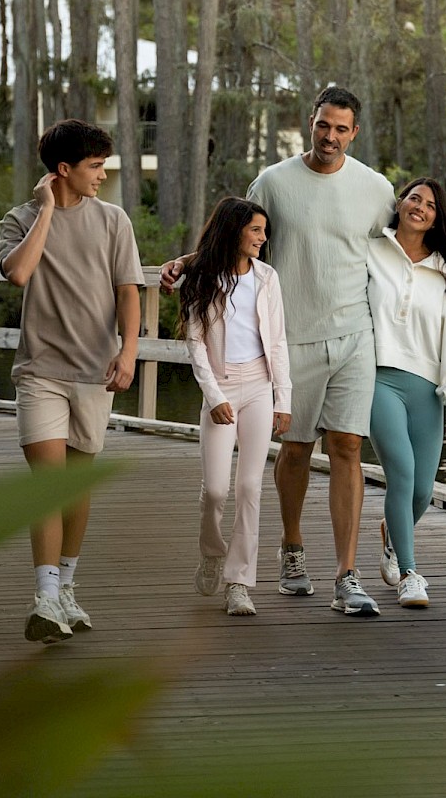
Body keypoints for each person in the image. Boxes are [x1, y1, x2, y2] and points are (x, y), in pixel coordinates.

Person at [163, 86, 395, 617]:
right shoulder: (274, 181)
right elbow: (237, 236)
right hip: (290, 339)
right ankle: (292, 548)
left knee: (348, 448)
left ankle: (346, 574)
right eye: (323, 126)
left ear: (354, 133)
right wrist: (188, 261)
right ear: (310, 123)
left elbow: (408, 242)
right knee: (295, 450)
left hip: (355, 335)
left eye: (341, 129)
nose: (330, 137)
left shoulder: (375, 188)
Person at [0, 119, 143, 643]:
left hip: (95, 372)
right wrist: (46, 211)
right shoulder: (20, 219)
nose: (102, 175)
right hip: (40, 372)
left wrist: (128, 351)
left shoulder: (114, 220)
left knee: (76, 489)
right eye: (94, 167)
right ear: (64, 170)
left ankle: (67, 588)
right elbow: (18, 273)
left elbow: (129, 291)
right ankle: (44, 595)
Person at [180, 197, 292, 616]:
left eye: (264, 231)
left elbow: (277, 342)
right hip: (221, 390)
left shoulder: (267, 278)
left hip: (260, 386)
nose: (264, 238)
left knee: (249, 487)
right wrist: (215, 398)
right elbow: (195, 344)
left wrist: (284, 399)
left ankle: (239, 582)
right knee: (215, 490)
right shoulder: (203, 278)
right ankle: (212, 551)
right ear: (235, 231)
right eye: (256, 231)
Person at [367, 177, 446, 608]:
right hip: (378, 378)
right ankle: (411, 574)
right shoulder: (372, 250)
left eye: (430, 205)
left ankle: (392, 538)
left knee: (422, 492)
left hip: (427, 386)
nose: (421, 207)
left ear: (437, 218)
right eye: (415, 198)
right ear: (400, 202)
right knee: (403, 472)